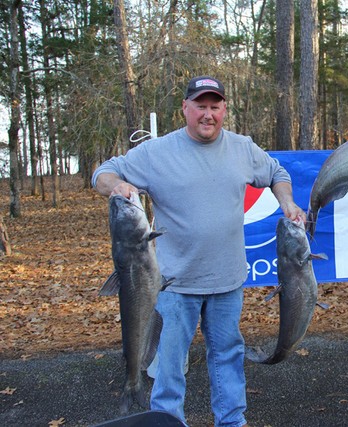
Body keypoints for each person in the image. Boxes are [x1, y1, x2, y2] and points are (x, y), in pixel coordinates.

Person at [92, 76, 306, 426]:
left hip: (228, 281)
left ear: (224, 110)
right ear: (185, 108)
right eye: (200, 106)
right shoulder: (156, 152)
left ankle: (231, 422)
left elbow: (276, 172)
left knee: (227, 359)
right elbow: (103, 173)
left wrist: (287, 201)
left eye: (215, 106)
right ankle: (167, 422)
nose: (208, 115)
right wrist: (118, 186)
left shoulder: (242, 147)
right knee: (170, 364)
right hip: (174, 285)